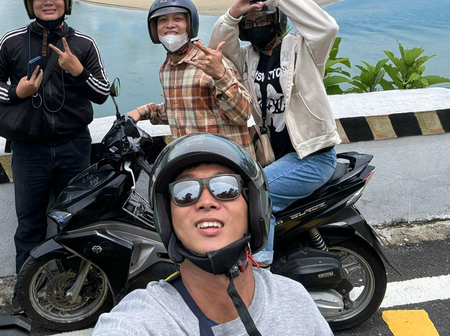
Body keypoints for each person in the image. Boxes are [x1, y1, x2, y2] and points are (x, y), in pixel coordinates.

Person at [92, 133, 333, 336]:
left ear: (253, 207)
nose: (206, 202)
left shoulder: (294, 300)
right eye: (185, 193)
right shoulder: (143, 322)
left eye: (226, 188)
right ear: (167, 218)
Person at [0, 0, 110, 280]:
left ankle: (76, 284)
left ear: (67, 2)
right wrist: (17, 92)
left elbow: (103, 92)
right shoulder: (12, 41)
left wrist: (78, 72)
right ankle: (26, 290)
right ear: (30, 4)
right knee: (30, 223)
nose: (48, 2)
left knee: (75, 219)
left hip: (74, 144)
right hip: (29, 147)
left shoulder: (83, 43)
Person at [209, 0, 341, 264]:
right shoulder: (247, 60)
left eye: (264, 21)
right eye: (251, 24)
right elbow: (217, 50)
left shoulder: (302, 48)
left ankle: (261, 266)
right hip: (278, 158)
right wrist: (233, 15)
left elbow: (327, 26)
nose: (258, 27)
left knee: (257, 191)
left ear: (276, 21)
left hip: (312, 156)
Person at [126, 0, 254, 154]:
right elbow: (179, 109)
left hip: (227, 162)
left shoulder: (210, 61)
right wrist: (141, 112)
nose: (170, 24)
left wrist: (221, 75)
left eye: (178, 19)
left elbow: (243, 114)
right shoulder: (166, 69)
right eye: (163, 20)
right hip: (190, 161)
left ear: (190, 24)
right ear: (154, 28)